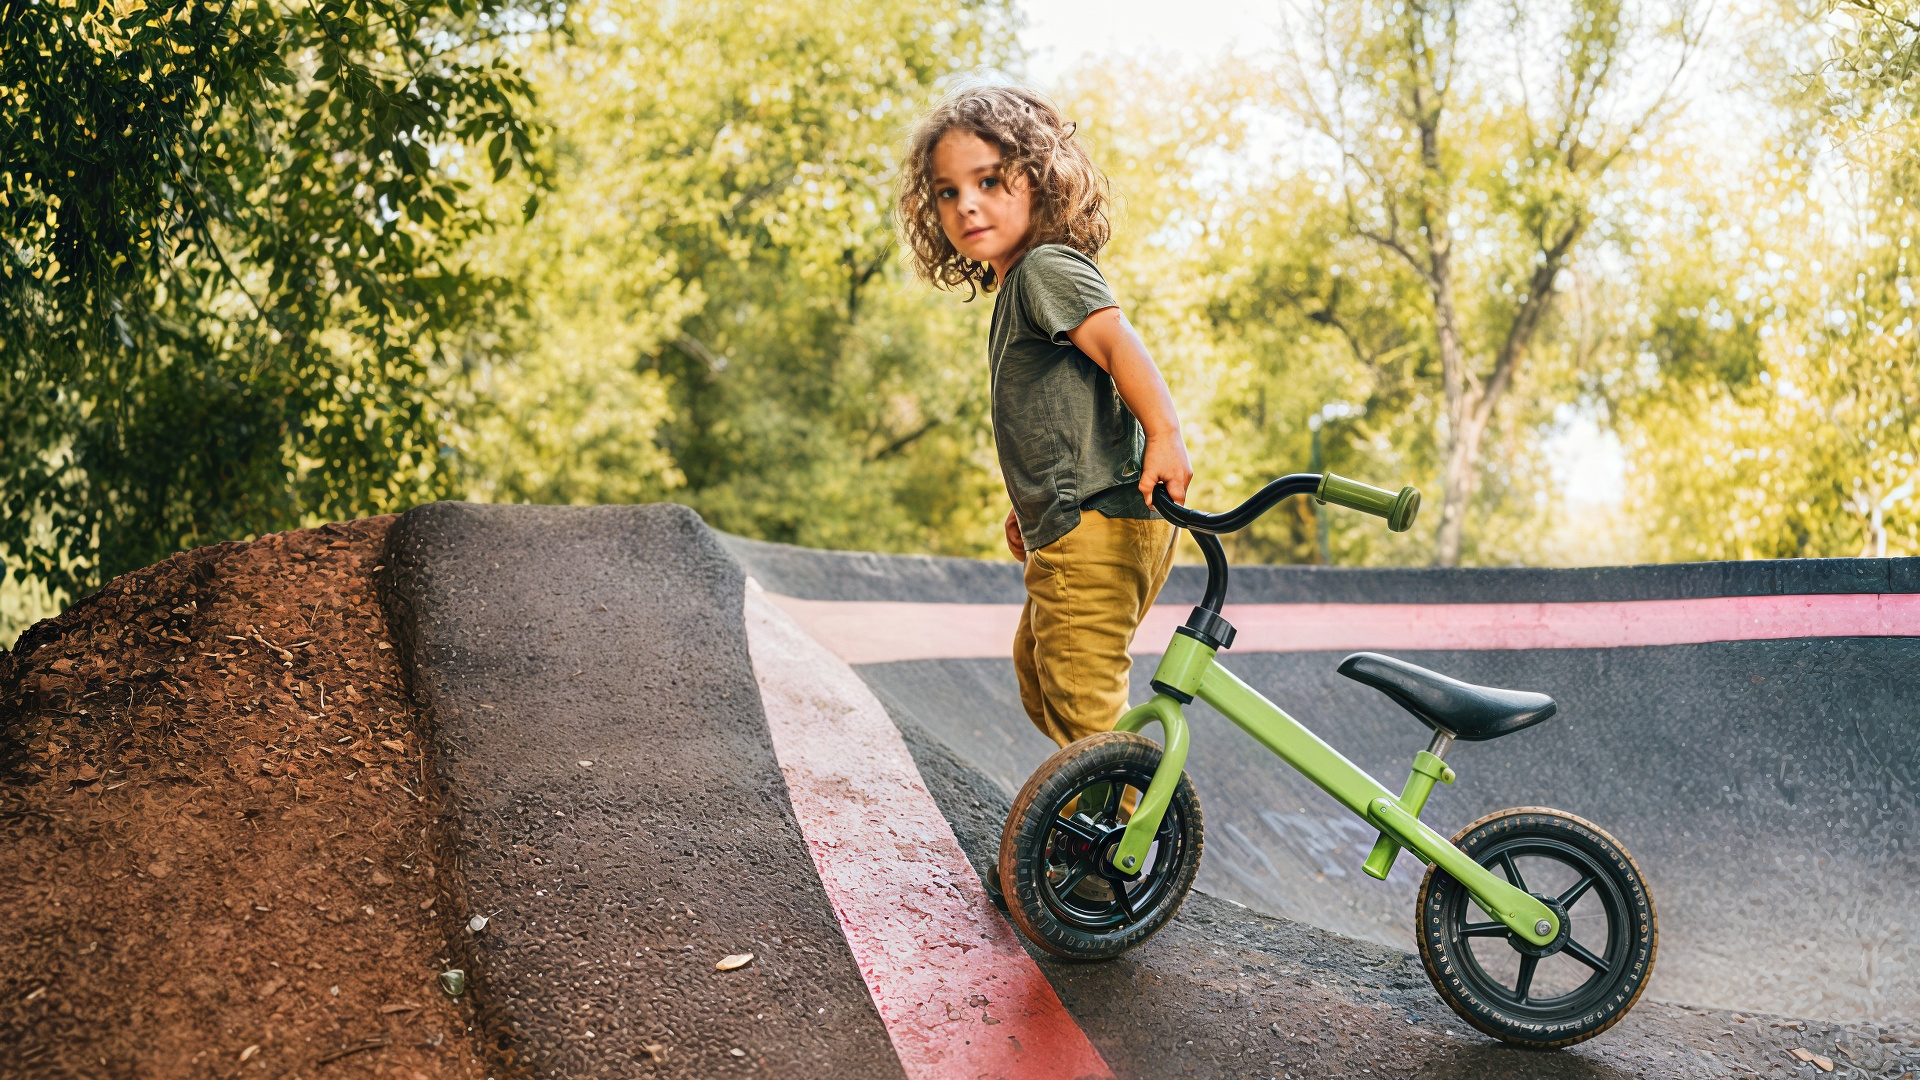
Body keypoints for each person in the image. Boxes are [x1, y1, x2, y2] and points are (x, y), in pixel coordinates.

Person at [898, 84, 1193, 902]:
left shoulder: (1046, 270)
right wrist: (1030, 505)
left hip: (1101, 520)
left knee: (1081, 691)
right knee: (1041, 670)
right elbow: (1060, 415)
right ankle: (1101, 810)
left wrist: (1165, 436)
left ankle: (1113, 859)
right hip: (1081, 517)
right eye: (949, 191)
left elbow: (1118, 343)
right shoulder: (1021, 286)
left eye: (992, 181)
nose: (968, 205)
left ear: (1040, 179)